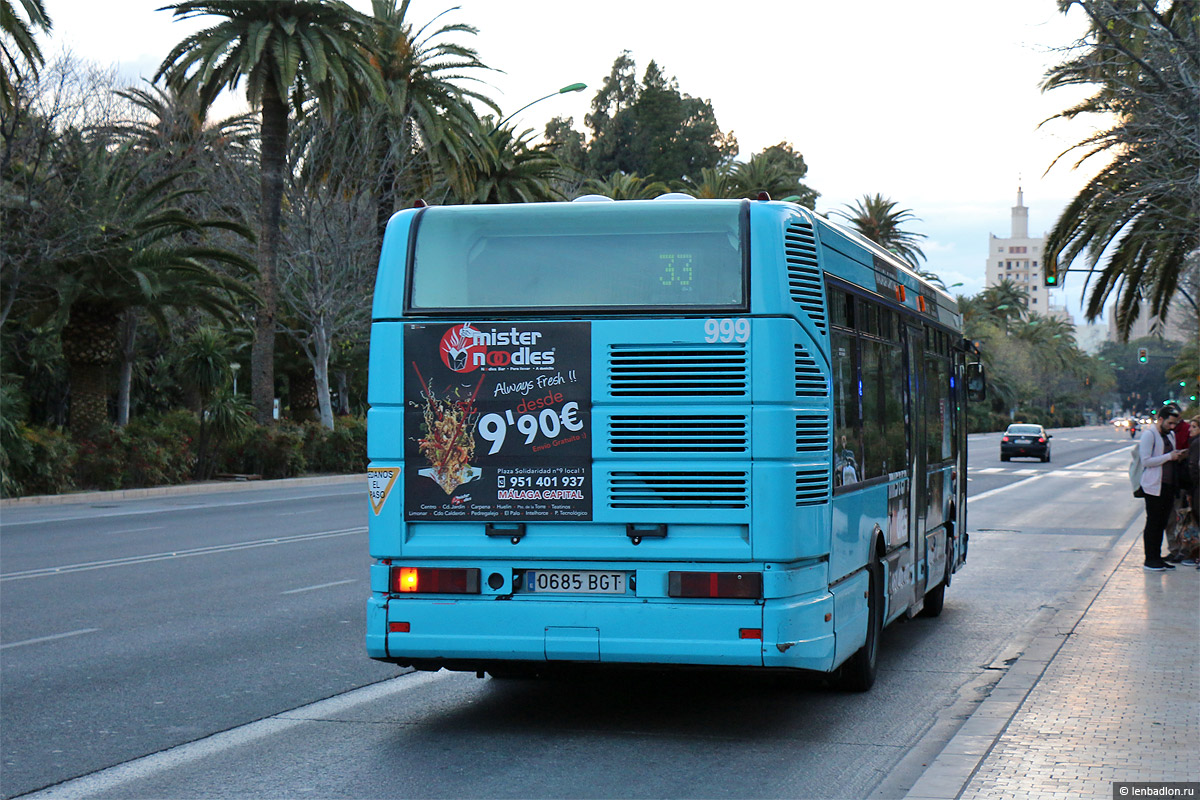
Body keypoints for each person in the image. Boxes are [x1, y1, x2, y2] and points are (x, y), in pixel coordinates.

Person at [1138, 406, 1187, 571]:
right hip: (1153, 486)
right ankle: (1150, 559)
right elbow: (1145, 461)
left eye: (1175, 424)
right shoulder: (1149, 435)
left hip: (1168, 485)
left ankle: (1157, 557)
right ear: (1160, 419)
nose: (1172, 427)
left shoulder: (1170, 435)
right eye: (1170, 423)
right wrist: (1169, 456)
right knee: (1153, 522)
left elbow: (1169, 456)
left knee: (1163, 522)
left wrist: (1178, 455)